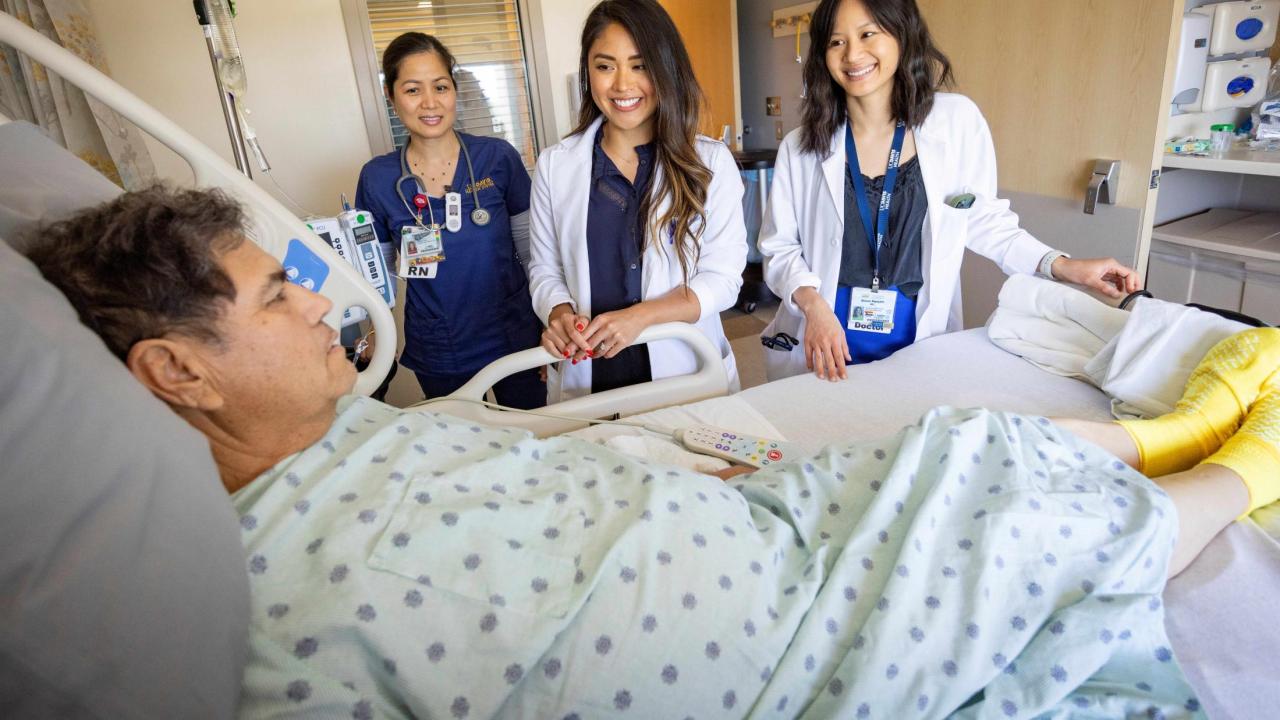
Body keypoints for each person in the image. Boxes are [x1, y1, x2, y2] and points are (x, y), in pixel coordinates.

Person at [30, 187, 1279, 718]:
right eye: (272, 300)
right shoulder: (252, 614)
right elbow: (647, 271)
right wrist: (595, 322)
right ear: (176, 373)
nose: (316, 304)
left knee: (958, 435)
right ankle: (1233, 469)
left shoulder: (366, 431)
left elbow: (734, 269)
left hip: (728, 505)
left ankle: (1164, 427)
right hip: (764, 625)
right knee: (1001, 506)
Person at [758, 0, 1143, 383]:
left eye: (867, 34)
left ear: (902, 35)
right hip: (824, 330)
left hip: (916, 326)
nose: (853, 54)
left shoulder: (955, 121)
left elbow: (985, 221)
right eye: (836, 42)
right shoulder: (802, 146)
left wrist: (1062, 265)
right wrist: (812, 307)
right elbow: (779, 248)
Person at [528, 0, 747, 403]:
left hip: (687, 370)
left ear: (666, 69)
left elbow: (724, 279)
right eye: (605, 65)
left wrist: (640, 317)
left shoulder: (710, 162)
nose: (622, 85)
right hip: (590, 371)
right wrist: (558, 315)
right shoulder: (555, 166)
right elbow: (545, 268)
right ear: (588, 73)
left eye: (640, 65)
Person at [354, 32, 545, 408]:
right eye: (412, 90)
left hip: (514, 334)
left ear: (454, 90)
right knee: (462, 452)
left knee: (533, 441)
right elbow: (381, 277)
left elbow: (532, 250)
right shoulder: (377, 178)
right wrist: (377, 331)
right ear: (391, 98)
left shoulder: (497, 158)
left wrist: (549, 321)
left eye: (440, 86)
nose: (430, 102)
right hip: (441, 344)